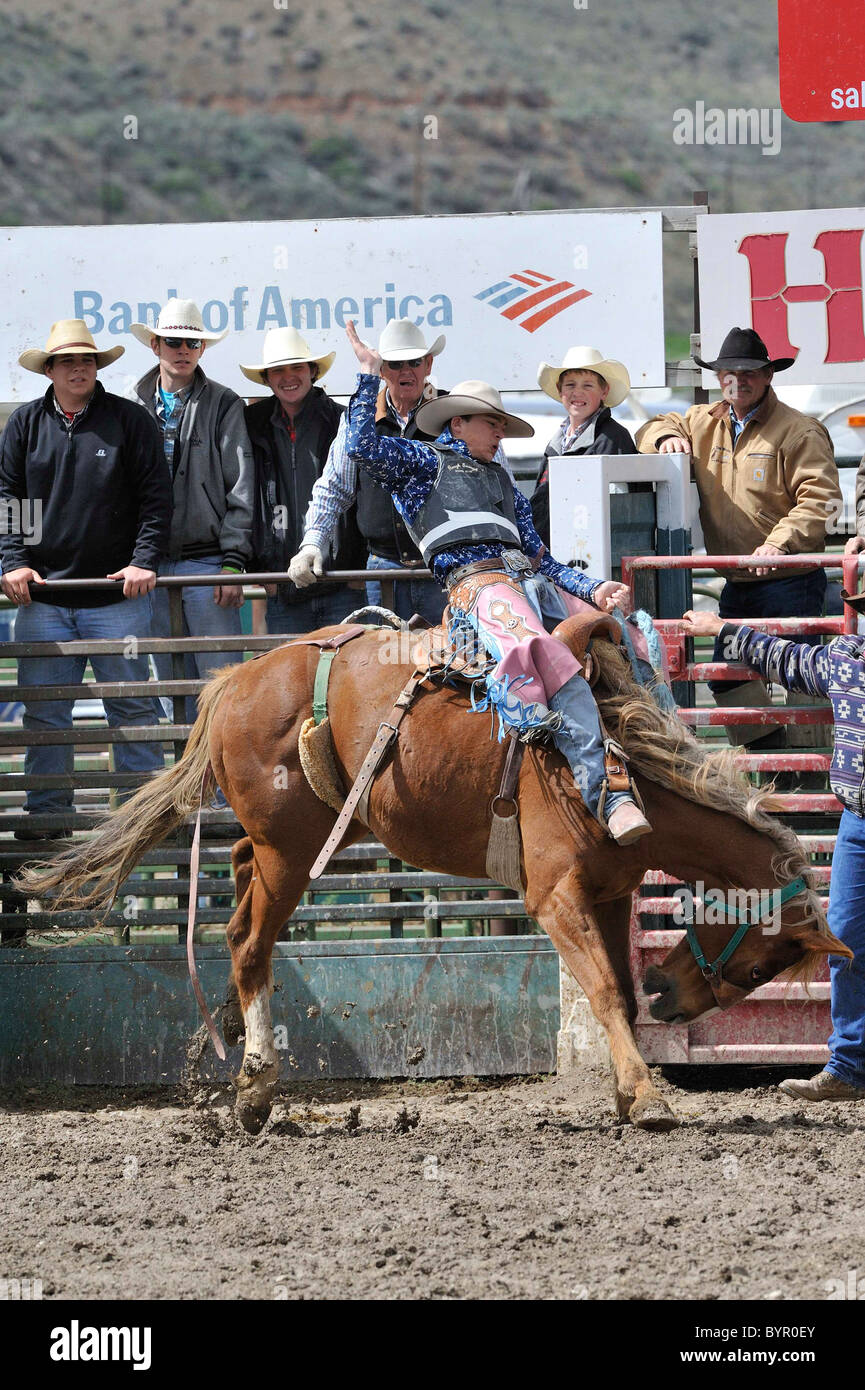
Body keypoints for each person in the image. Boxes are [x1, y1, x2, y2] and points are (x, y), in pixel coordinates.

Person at [342, 320, 651, 846]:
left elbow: (541, 558)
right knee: (548, 655)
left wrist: (595, 589)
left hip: (527, 582)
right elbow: (361, 445)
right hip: (478, 587)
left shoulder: (503, 479)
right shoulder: (422, 463)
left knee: (630, 633)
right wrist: (370, 375)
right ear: (457, 425)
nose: (501, 433)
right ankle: (608, 795)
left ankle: (657, 762)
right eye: (492, 423)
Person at [682, 602, 865, 1103]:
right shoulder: (847, 661)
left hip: (857, 820)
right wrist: (721, 629)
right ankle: (850, 1068)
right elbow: (780, 656)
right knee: (846, 937)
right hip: (859, 820)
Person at [0, 319, 171, 836]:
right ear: (49, 370)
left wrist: (144, 558)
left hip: (116, 593)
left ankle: (139, 820)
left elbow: (155, 498)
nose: (80, 368)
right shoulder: (25, 424)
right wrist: (11, 562)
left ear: (98, 368)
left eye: (88, 360)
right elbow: (9, 499)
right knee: (46, 717)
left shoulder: (130, 421)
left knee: (133, 711)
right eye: (69, 361)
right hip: (45, 596)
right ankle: (47, 820)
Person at [637, 326, 841, 750]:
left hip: (790, 578)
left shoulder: (799, 430)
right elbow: (655, 424)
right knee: (729, 681)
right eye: (729, 371)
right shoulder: (699, 421)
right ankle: (774, 765)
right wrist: (665, 436)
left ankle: (805, 773)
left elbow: (820, 500)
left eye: (749, 371)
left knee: (799, 678)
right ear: (718, 378)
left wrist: (778, 543)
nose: (739, 379)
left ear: (768, 375)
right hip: (739, 579)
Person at [290, 319, 510, 628]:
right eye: (395, 363)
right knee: (389, 665)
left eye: (414, 361)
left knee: (455, 665)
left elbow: (501, 485)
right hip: (384, 568)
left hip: (451, 567)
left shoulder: (457, 413)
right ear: (382, 370)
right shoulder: (361, 416)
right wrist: (313, 542)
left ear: (428, 364)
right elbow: (335, 486)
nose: (406, 370)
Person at [129, 298, 253, 722]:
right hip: (151, 567)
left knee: (222, 691)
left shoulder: (224, 403)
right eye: (173, 341)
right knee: (170, 690)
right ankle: (184, 789)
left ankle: (221, 791)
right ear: (155, 345)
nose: (183, 349)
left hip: (208, 563)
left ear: (202, 350)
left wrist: (233, 563)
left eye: (192, 342)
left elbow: (242, 485)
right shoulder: (131, 405)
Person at [241, 327, 364, 634]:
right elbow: (242, 496)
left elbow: (365, 495)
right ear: (267, 378)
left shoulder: (343, 420)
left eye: (297, 367)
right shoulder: (249, 425)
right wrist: (259, 569)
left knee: (346, 677)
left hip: (341, 585)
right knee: (290, 682)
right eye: (278, 370)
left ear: (313, 371)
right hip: (282, 587)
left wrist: (357, 569)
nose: (288, 377)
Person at [532, 345, 638, 548]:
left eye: (588, 386)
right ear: (560, 390)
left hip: (591, 550)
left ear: (604, 391)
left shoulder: (612, 438)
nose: (577, 393)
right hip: (559, 549)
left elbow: (618, 508)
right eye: (570, 385)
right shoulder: (556, 443)